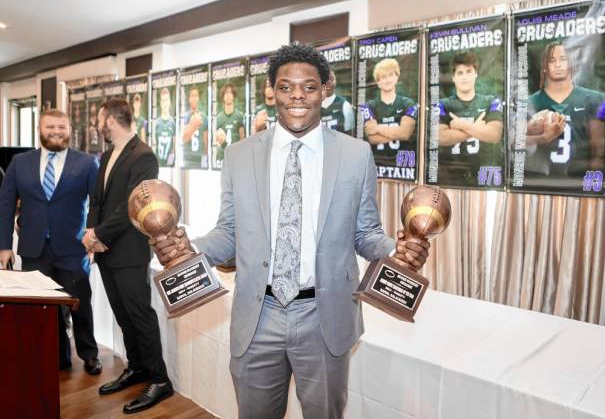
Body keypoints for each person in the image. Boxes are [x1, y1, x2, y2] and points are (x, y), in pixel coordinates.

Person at [150, 42, 429, 418]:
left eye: (309, 87)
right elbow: (229, 233)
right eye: (286, 87)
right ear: (272, 92)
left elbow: (365, 233)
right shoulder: (238, 155)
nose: (297, 96)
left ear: (324, 91)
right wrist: (187, 249)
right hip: (257, 316)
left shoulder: (355, 154)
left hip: (325, 316)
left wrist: (398, 254)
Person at [83, 98, 172, 414]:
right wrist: (93, 234)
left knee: (139, 315)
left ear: (108, 118)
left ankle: (160, 379)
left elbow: (132, 205)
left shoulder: (144, 155)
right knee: (122, 315)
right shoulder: (107, 154)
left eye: (98, 117)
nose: (96, 123)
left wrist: (99, 234)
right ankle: (137, 367)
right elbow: (97, 199)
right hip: (106, 250)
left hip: (130, 251)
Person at [0, 109, 102, 374]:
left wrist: (93, 235)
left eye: (62, 127)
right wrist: (3, 245)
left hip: (73, 247)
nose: (56, 132)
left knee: (79, 301)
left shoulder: (87, 163)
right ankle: (58, 355)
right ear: (39, 129)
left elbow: (98, 203)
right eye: (50, 127)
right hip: (34, 248)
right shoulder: (19, 162)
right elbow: (6, 204)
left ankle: (89, 354)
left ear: (69, 129)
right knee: (44, 306)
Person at [525, 42, 605, 189]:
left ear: (571, 62)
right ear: (544, 66)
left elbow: (598, 147)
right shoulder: (530, 103)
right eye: (551, 60)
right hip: (539, 182)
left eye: (563, 59)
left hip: (582, 181)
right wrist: (542, 137)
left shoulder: (594, 99)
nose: (557, 65)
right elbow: (514, 143)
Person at [437, 51, 504, 186]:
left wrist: (461, 124)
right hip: (452, 176)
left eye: (468, 71)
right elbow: (440, 137)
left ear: (475, 74)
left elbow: (494, 134)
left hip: (484, 175)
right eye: (460, 73)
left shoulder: (490, 101)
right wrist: (478, 129)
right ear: (453, 77)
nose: (464, 77)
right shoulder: (443, 104)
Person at [362, 58, 418, 167]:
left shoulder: (409, 104)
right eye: (383, 77)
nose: (387, 80)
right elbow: (372, 138)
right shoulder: (368, 106)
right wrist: (398, 131)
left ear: (397, 77)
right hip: (378, 166)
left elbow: (405, 133)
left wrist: (377, 128)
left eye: (391, 75)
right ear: (378, 82)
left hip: (403, 166)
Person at [214, 82, 245, 164]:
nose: (228, 95)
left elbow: (243, 139)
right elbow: (215, 141)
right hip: (222, 157)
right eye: (226, 93)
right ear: (223, 96)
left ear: (234, 96)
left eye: (230, 92)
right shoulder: (218, 118)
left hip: (236, 157)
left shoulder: (240, 116)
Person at [182, 86, 209, 168]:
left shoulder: (204, 117)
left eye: (196, 95)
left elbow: (205, 141)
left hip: (199, 159)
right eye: (192, 96)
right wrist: (193, 125)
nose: (194, 98)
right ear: (189, 99)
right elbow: (183, 139)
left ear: (198, 98)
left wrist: (205, 158)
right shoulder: (185, 117)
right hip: (187, 159)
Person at [321, 69, 354, 134]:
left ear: (336, 82)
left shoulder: (345, 105)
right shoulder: (312, 106)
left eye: (331, 79)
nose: (328, 82)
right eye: (324, 79)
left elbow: (350, 136)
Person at [154, 87, 176, 166]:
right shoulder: (156, 123)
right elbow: (154, 144)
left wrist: (169, 164)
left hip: (169, 165)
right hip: (158, 164)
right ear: (160, 103)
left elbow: (174, 147)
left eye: (166, 100)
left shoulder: (173, 123)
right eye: (163, 100)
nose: (165, 103)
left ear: (170, 102)